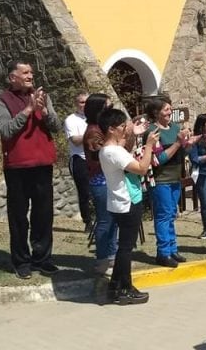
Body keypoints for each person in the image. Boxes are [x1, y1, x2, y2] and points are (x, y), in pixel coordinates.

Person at [0, 61, 61, 279]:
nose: (31, 76)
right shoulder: (2, 100)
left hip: (42, 164)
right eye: (25, 72)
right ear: (12, 77)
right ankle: (21, 261)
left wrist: (43, 111)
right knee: (19, 217)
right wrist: (28, 111)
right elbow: (5, 131)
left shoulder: (43, 96)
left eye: (31, 72)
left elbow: (56, 126)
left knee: (43, 215)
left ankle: (42, 258)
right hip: (17, 167)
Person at [98, 107, 159, 305]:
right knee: (125, 249)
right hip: (128, 202)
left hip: (119, 201)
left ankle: (115, 285)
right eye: (122, 126)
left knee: (123, 247)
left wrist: (136, 131)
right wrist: (149, 145)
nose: (125, 130)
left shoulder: (107, 150)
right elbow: (141, 169)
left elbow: (124, 143)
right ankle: (125, 288)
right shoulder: (114, 152)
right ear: (111, 129)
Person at [145, 97, 196, 268]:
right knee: (163, 216)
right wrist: (177, 142)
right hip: (161, 180)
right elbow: (159, 158)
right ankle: (163, 252)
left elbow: (182, 152)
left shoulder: (175, 128)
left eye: (170, 109)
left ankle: (172, 249)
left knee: (171, 215)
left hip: (175, 178)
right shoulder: (152, 132)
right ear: (156, 112)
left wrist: (188, 143)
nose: (169, 112)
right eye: (166, 109)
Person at [83, 93, 119, 276]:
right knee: (105, 221)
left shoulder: (102, 129)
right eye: (108, 107)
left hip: (109, 179)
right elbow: (104, 155)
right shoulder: (93, 132)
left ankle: (112, 256)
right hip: (100, 181)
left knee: (113, 221)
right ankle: (102, 260)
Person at [64, 92, 91, 232]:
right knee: (84, 191)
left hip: (96, 158)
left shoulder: (95, 118)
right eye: (81, 102)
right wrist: (93, 133)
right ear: (76, 104)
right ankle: (88, 221)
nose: (84, 105)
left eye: (87, 102)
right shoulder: (71, 120)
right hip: (79, 158)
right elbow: (75, 140)